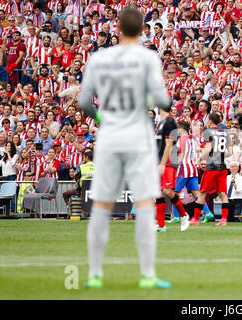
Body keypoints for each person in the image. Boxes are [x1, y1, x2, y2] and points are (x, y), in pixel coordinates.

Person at [78, 8, 172, 290]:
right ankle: (147, 275)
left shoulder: (99, 58)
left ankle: (95, 274)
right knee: (144, 203)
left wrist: (101, 118)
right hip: (137, 134)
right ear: (143, 29)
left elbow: (84, 102)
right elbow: (161, 98)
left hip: (109, 135)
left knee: (102, 205)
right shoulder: (147, 58)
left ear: (117, 28)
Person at [153, 106, 190, 233]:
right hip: (159, 162)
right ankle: (161, 225)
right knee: (158, 193)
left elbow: (169, 144)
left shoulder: (170, 122)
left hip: (168, 161)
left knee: (168, 191)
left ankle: (184, 216)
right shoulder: (161, 123)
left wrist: (163, 163)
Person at [190, 112, 230, 226]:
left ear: (211, 121)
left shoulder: (208, 132)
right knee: (223, 194)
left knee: (202, 192)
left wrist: (200, 159)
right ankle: (223, 220)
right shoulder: (224, 132)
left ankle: (196, 219)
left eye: (208, 120)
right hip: (222, 166)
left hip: (212, 166)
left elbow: (208, 149)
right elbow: (230, 152)